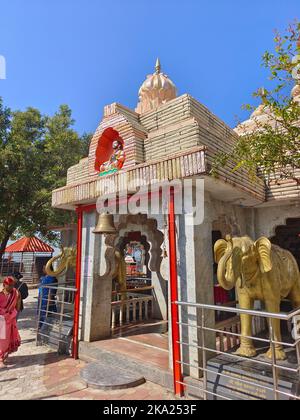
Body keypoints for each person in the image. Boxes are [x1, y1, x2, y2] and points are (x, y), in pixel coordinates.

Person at [0, 277, 21, 368]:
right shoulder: (0, 295)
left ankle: (3, 356)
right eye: (9, 285)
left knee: (8, 339)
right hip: (1, 320)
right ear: (4, 285)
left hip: (10, 319)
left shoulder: (16, 293)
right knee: (2, 339)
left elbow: (17, 307)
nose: (12, 287)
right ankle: (1, 358)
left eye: (13, 285)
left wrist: (12, 314)